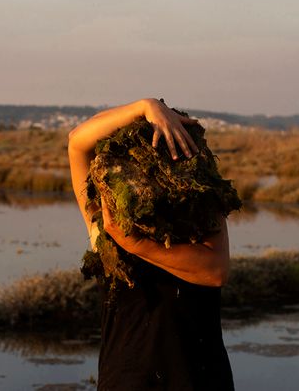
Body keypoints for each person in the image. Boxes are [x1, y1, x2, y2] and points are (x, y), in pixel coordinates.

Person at [68, 98, 235, 390]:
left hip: (199, 379)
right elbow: (77, 143)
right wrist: (145, 107)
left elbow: (215, 272)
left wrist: (136, 244)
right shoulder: (106, 225)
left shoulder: (201, 208)